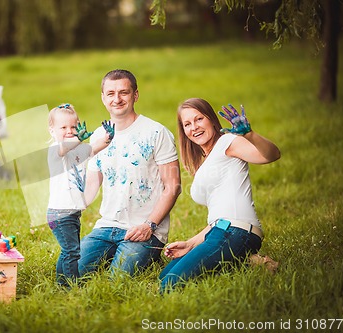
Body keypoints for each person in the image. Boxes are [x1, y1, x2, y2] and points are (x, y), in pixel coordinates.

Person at [159, 98, 280, 292]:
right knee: (164, 275)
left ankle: (247, 260)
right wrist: (191, 244)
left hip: (238, 232)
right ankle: (250, 262)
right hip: (220, 230)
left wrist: (249, 135)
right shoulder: (206, 160)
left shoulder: (228, 142)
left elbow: (271, 155)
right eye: (187, 124)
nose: (194, 127)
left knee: (171, 283)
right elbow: (218, 218)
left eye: (199, 119)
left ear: (212, 120)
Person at [78, 69, 181, 277]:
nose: (117, 99)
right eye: (111, 93)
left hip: (145, 229)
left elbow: (173, 186)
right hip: (106, 227)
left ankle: (147, 253)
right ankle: (111, 253)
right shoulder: (99, 136)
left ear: (135, 95)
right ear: (103, 98)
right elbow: (90, 188)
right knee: (70, 273)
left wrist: (149, 225)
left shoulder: (157, 132)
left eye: (123, 93)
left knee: (119, 279)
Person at [47, 103, 114, 286]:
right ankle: (71, 286)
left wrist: (108, 138)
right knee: (72, 252)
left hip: (72, 212)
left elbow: (93, 148)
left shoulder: (77, 152)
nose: (69, 131)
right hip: (60, 213)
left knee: (69, 251)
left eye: (73, 127)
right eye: (63, 127)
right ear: (52, 130)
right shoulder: (55, 150)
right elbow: (64, 148)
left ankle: (62, 284)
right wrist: (78, 138)